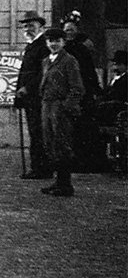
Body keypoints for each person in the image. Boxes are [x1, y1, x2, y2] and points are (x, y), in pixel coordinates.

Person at [39, 26, 84, 198]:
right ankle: (58, 182)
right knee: (50, 143)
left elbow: (77, 88)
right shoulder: (46, 61)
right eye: (50, 40)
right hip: (47, 105)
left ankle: (66, 184)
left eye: (57, 41)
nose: (54, 44)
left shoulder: (69, 61)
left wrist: (66, 107)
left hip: (60, 107)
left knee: (62, 144)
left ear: (63, 42)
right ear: (46, 42)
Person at [12, 10, 50, 178]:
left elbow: (43, 73)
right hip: (29, 98)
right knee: (35, 133)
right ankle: (38, 168)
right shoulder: (31, 46)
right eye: (26, 26)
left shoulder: (43, 46)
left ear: (41, 27)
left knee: (39, 134)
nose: (28, 29)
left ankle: (41, 169)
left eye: (32, 26)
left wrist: (28, 88)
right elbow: (24, 73)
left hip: (38, 97)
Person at [62, 17, 102, 170]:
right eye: (66, 30)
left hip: (82, 93)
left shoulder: (82, 49)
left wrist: (95, 89)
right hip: (66, 94)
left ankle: (84, 161)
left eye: (71, 30)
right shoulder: (61, 50)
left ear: (76, 32)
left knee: (82, 128)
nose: (69, 33)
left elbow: (90, 72)